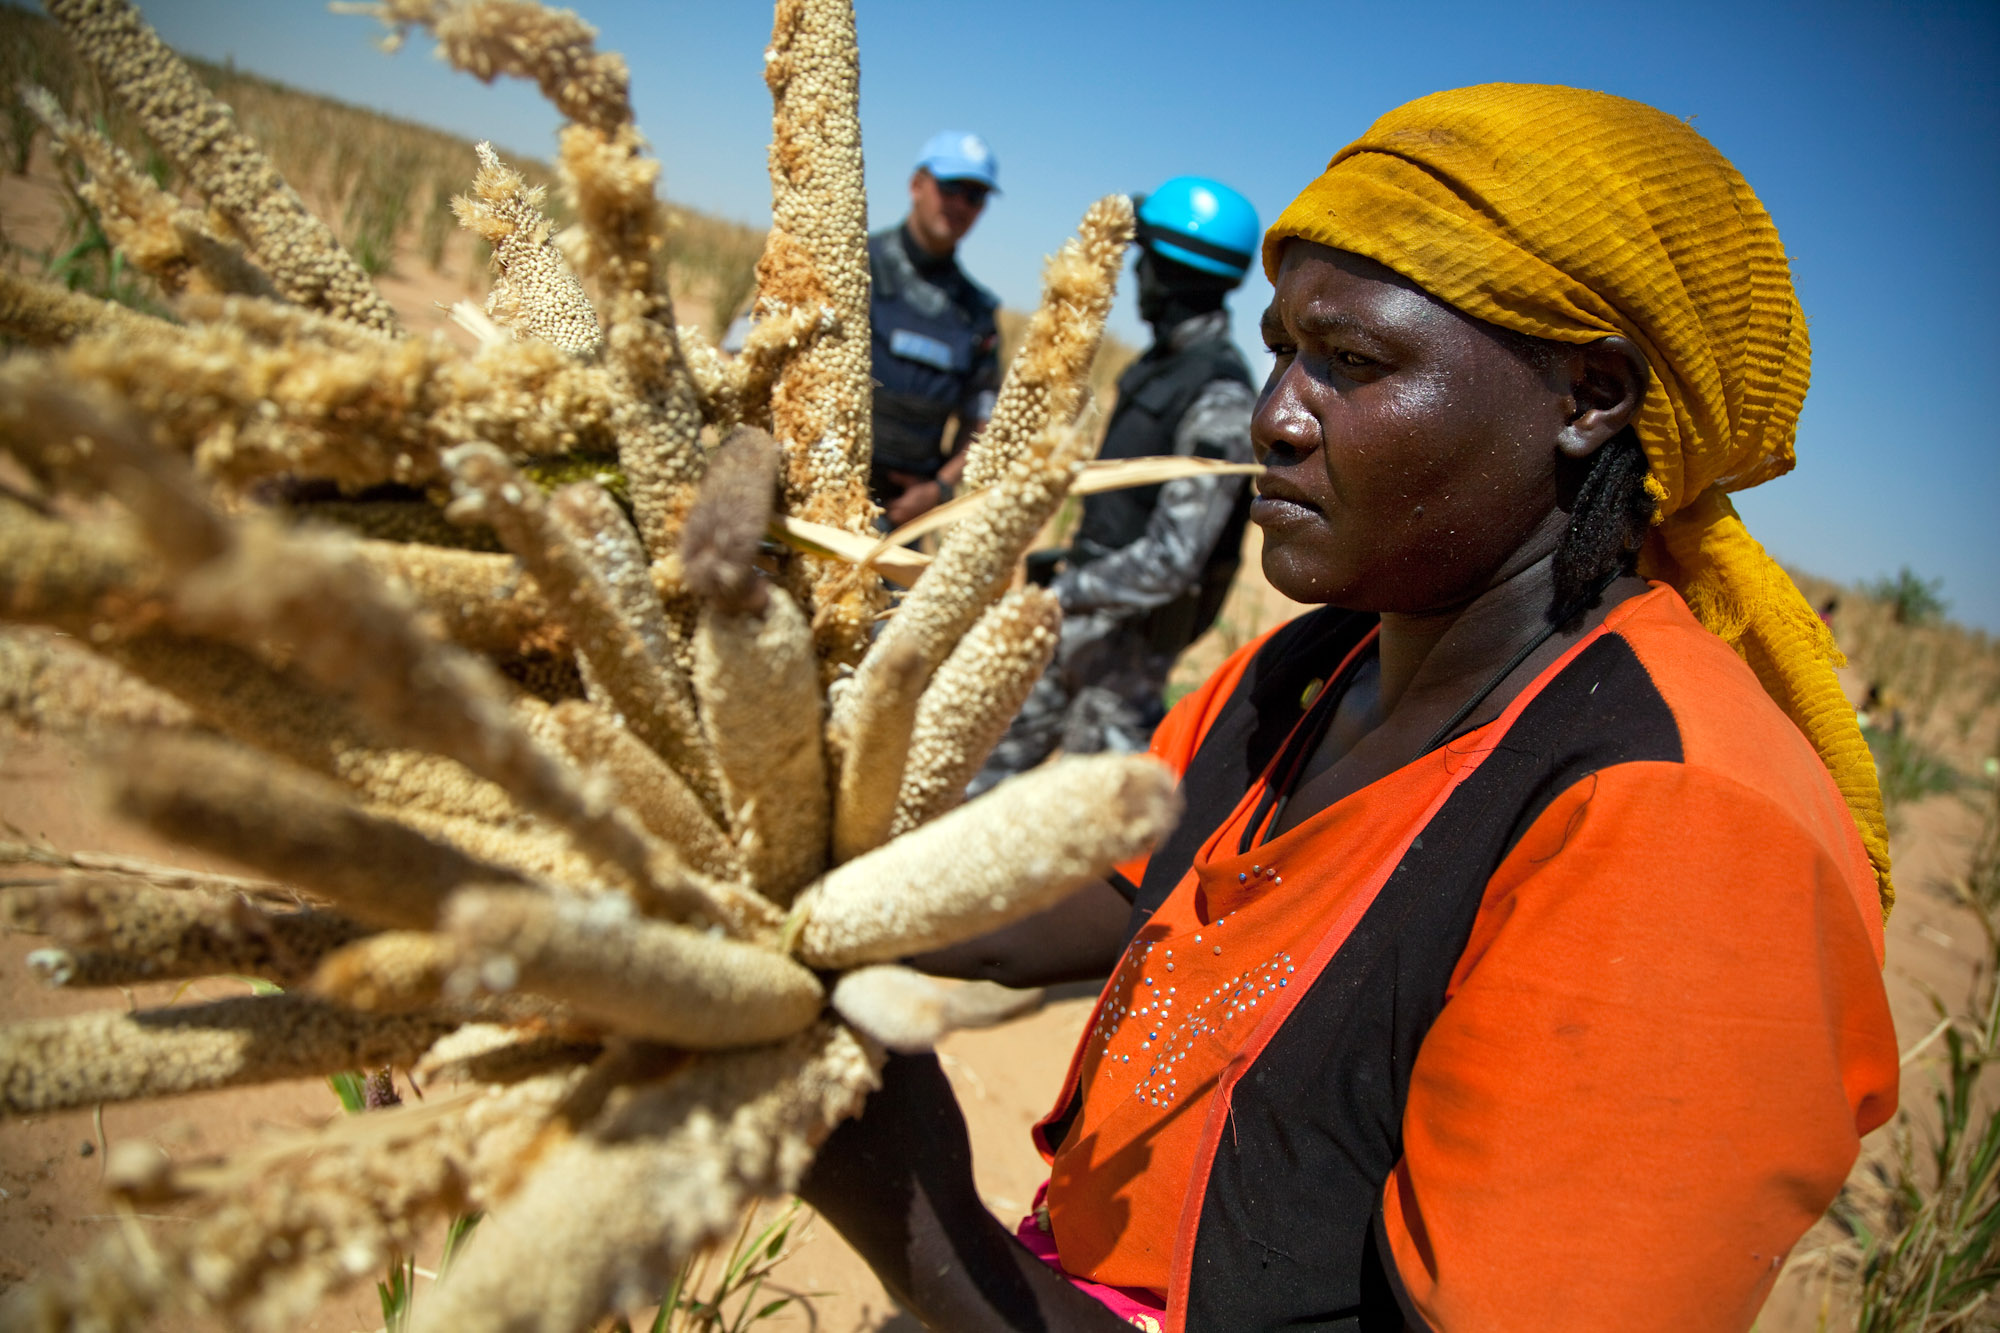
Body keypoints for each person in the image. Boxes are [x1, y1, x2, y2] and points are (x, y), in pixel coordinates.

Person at [801, 84, 1899, 1332]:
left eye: (1353, 363)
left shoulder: (1680, 827)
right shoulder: (1311, 671)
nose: (1275, 413)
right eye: (1283, 348)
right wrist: (801, 912)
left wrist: (924, 1221)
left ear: (1588, 398)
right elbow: (1119, 893)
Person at [972, 177, 1262, 793]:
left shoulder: (1219, 394)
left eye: (1146, 261)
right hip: (1074, 624)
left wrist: (1066, 590)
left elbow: (1174, 560)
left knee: (1078, 835)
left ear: (1171, 273)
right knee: (973, 781)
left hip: (1122, 662)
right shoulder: (1160, 365)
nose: (1137, 276)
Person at [868, 130, 1004, 527]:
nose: (960, 204)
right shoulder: (854, 264)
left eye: (975, 196)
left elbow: (983, 418)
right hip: (819, 489)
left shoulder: (977, 312)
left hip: (900, 517)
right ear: (917, 185)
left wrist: (940, 489)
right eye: (951, 187)